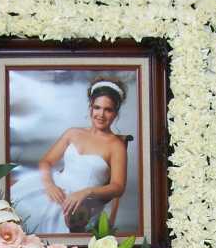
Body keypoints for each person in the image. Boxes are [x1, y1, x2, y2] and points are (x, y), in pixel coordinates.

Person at [10, 78, 128, 234]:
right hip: (57, 186)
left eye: (108, 110)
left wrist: (86, 192)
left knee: (50, 221)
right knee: (17, 205)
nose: (101, 114)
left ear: (115, 113)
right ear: (90, 108)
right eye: (97, 107)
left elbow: (118, 187)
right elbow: (46, 161)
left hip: (83, 204)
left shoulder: (116, 146)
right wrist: (50, 185)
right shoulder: (73, 133)